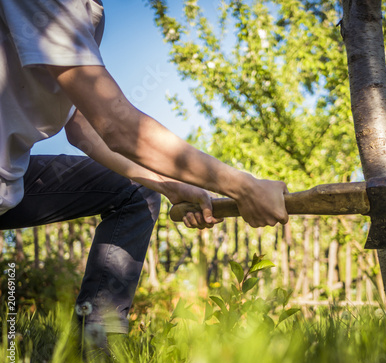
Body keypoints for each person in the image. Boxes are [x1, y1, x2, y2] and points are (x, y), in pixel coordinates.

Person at [0, 0, 288, 338]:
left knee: (136, 190)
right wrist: (242, 185)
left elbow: (83, 126)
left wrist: (169, 184)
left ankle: (100, 349)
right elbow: (116, 125)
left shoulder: (88, 12)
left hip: (8, 181)